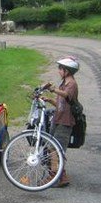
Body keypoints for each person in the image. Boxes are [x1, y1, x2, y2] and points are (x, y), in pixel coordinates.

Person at [41, 56, 80, 187]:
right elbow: (60, 104)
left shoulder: (72, 84)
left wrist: (53, 89)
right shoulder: (63, 84)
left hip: (65, 122)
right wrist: (49, 99)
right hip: (58, 119)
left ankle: (55, 176)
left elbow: (66, 95)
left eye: (60, 69)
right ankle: (61, 176)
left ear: (67, 71)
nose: (58, 71)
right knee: (52, 148)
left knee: (56, 149)